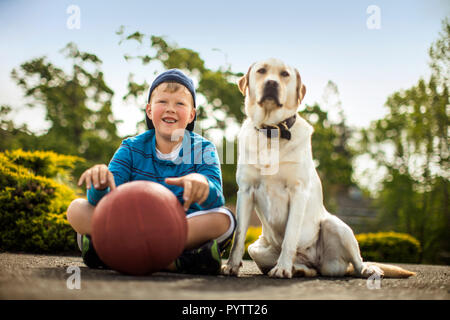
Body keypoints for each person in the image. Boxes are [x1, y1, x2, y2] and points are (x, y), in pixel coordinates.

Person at [66, 69, 236, 275]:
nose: (170, 109)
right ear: (149, 110)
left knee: (224, 219)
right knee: (77, 209)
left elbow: (216, 200)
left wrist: (204, 186)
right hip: (129, 224)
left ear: (192, 114)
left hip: (178, 227)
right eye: (163, 102)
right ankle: (176, 262)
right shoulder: (130, 147)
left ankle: (118, 255)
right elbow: (103, 202)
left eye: (180, 104)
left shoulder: (203, 149)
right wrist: (99, 186)